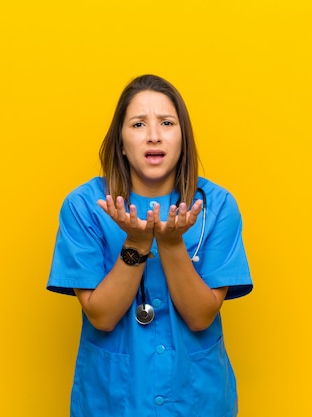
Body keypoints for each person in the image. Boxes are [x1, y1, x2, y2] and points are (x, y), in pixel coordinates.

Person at [47, 74, 253, 416]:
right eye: (139, 124)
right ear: (121, 143)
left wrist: (171, 245)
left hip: (197, 398)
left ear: (183, 139)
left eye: (167, 123)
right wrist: (137, 243)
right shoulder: (84, 206)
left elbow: (201, 317)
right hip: (113, 399)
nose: (154, 135)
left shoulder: (217, 206)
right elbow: (101, 316)